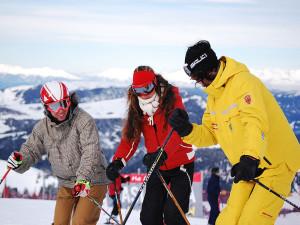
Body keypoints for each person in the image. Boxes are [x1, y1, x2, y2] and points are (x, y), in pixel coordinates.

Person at [169, 40, 300, 225]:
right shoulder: (215, 97)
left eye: (198, 78)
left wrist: (250, 158)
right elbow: (210, 134)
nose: (199, 83)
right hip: (247, 168)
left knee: (251, 221)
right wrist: (187, 130)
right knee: (227, 221)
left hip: (275, 165)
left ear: (209, 71)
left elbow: (255, 122)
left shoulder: (244, 83)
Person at [7, 81, 109, 225]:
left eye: (64, 103)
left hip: (93, 179)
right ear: (46, 106)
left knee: (80, 222)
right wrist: (20, 161)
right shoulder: (43, 128)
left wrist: (83, 179)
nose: (61, 109)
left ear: (69, 101)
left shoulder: (84, 121)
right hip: (66, 183)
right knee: (60, 223)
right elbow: (31, 149)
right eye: (55, 105)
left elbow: (91, 151)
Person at [106, 66, 195, 225]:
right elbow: (131, 138)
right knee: (148, 217)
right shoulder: (137, 106)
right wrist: (118, 161)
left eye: (147, 87)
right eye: (137, 89)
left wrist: (163, 153)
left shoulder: (171, 99)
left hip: (181, 164)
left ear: (155, 83)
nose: (143, 93)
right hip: (156, 165)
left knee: (173, 216)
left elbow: (177, 132)